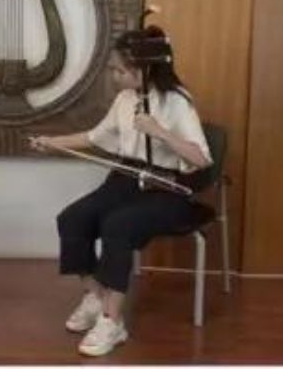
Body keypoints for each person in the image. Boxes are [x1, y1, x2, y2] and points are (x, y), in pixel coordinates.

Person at [30, 25, 212, 357]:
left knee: (119, 225)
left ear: (145, 69)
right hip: (125, 180)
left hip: (166, 189)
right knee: (72, 218)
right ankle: (96, 296)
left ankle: (112, 321)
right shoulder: (125, 99)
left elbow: (200, 159)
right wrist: (53, 142)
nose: (114, 76)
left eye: (120, 70)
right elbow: (93, 137)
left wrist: (160, 132)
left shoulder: (177, 102)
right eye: (114, 69)